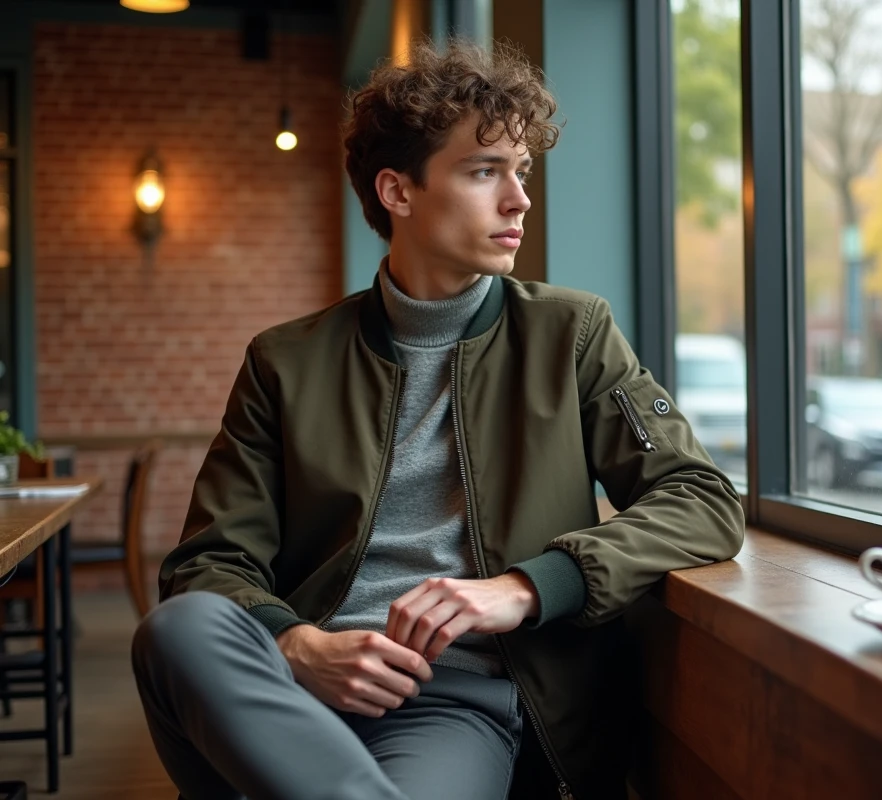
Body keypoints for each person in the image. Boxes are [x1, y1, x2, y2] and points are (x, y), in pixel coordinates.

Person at [131, 39, 743, 800]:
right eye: (485, 171)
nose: (518, 199)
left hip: (450, 700)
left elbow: (702, 498)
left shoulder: (571, 334)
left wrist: (525, 584)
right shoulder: (285, 362)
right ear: (399, 192)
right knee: (177, 631)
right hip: (292, 694)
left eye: (521, 171)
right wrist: (295, 643)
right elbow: (206, 564)